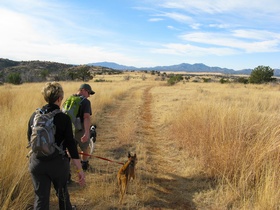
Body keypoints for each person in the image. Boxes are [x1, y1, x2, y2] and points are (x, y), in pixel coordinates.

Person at [27, 82, 85, 210]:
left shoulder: (34, 116)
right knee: (62, 194)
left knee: (41, 199)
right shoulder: (63, 118)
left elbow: (30, 141)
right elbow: (71, 146)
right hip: (57, 164)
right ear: (59, 98)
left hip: (37, 164)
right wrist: (80, 170)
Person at [74, 83, 95, 171]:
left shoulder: (70, 99)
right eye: (89, 93)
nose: (89, 96)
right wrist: (87, 132)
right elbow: (86, 117)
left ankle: (69, 168)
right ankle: (84, 165)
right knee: (84, 147)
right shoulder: (86, 102)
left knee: (70, 148)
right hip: (80, 129)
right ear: (83, 90)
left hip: (69, 128)